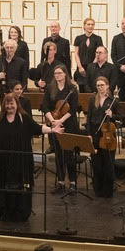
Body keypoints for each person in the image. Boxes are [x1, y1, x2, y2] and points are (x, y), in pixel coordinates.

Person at [0, 86, 43, 225]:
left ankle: (21, 212)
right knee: (3, 184)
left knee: (20, 184)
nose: (9, 106)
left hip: (20, 159)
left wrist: (52, 129)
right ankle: (4, 211)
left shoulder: (24, 118)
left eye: (12, 103)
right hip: (3, 160)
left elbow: (38, 128)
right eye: (7, 104)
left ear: (16, 104)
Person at [40, 64, 80, 194]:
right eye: (55, 73)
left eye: (60, 73)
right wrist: (52, 121)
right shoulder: (50, 88)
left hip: (69, 124)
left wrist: (60, 121)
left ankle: (73, 182)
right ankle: (61, 182)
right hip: (54, 123)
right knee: (58, 154)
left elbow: (73, 109)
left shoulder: (72, 88)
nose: (57, 75)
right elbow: (45, 106)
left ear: (65, 74)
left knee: (69, 154)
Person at [85, 74, 119, 199]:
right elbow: (88, 118)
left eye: (102, 85)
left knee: (108, 164)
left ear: (107, 86)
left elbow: (120, 118)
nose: (100, 87)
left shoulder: (113, 101)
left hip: (108, 134)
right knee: (96, 163)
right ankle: (97, 190)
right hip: (95, 134)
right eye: (98, 85)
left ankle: (107, 191)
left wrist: (112, 115)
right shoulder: (92, 99)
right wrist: (88, 133)